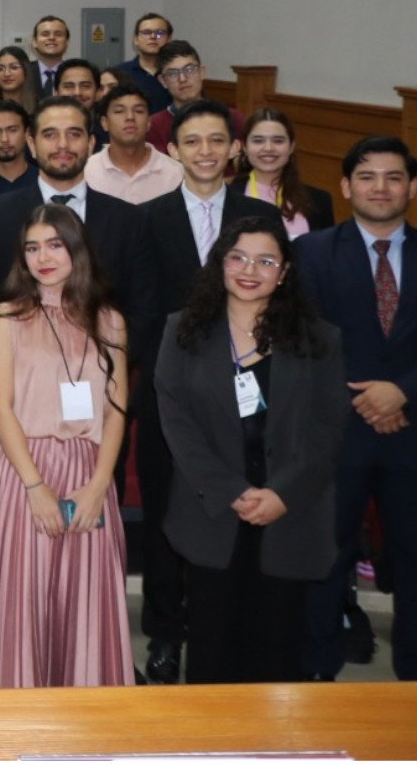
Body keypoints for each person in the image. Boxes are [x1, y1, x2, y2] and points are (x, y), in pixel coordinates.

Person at [159, 216, 348, 684]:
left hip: (289, 512)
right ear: (220, 264)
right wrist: (232, 491)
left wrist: (281, 494)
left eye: (266, 261)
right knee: (211, 646)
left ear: (283, 272)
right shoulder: (182, 332)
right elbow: (176, 422)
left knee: (278, 651)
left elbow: (328, 428)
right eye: (238, 257)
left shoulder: (319, 339)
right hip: (212, 510)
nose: (250, 270)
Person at [133, 99, 285, 682]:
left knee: (239, 506)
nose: (204, 151)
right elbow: (142, 312)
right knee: (170, 514)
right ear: (173, 150)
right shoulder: (146, 217)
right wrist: (183, 374)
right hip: (171, 390)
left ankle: (229, 624)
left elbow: (278, 298)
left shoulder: (258, 216)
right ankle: (167, 632)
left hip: (251, 393)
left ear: (234, 150)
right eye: (191, 141)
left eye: (216, 141)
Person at [0, 205, 132, 688]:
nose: (44, 257)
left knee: (84, 599)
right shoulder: (7, 317)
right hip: (22, 470)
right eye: (33, 248)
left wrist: (100, 484)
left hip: (87, 468)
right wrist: (35, 486)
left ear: (76, 250)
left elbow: (117, 408)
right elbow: (0, 404)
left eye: (55, 245)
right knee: (24, 597)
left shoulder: (110, 320)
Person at [296, 136, 417, 681]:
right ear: (346, 187)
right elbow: (302, 343)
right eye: (367, 177)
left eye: (394, 177)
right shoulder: (312, 252)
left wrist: (403, 391)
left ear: (411, 187)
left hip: (412, 432)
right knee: (325, 558)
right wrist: (365, 399)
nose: (381, 188)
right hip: (337, 435)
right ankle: (317, 674)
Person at [0, 98, 156, 354]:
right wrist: (16, 365)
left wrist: (105, 364)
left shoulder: (129, 220)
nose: (62, 145)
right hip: (17, 376)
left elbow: (144, 309)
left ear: (91, 143)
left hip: (105, 370)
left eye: (74, 134)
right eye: (50, 135)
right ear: (31, 144)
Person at [237, 108, 336, 237]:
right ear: (245, 146)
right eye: (258, 140)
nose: (268, 148)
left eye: (278, 141)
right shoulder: (226, 196)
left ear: (291, 146)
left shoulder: (319, 201)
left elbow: (327, 252)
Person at [86, 84, 184, 204]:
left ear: (148, 122)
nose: (130, 117)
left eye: (138, 111)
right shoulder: (87, 171)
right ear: (104, 123)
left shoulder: (176, 172)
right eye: (119, 111)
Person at [146, 41, 242, 153]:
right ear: (163, 81)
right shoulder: (153, 126)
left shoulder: (233, 118)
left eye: (189, 69)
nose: (182, 79)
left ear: (202, 72)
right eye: (172, 73)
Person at [107, 13, 175, 115]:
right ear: (136, 40)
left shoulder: (178, 74)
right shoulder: (119, 73)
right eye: (146, 32)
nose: (153, 36)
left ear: (169, 39)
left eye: (160, 33)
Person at [0, 45, 44, 128]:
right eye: (0, 69)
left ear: (26, 72)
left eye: (14, 67)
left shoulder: (41, 109)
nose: (7, 74)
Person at [30, 16, 72, 95]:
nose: (51, 38)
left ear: (67, 42)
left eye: (58, 34)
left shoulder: (74, 73)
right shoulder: (24, 72)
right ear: (35, 42)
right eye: (45, 34)